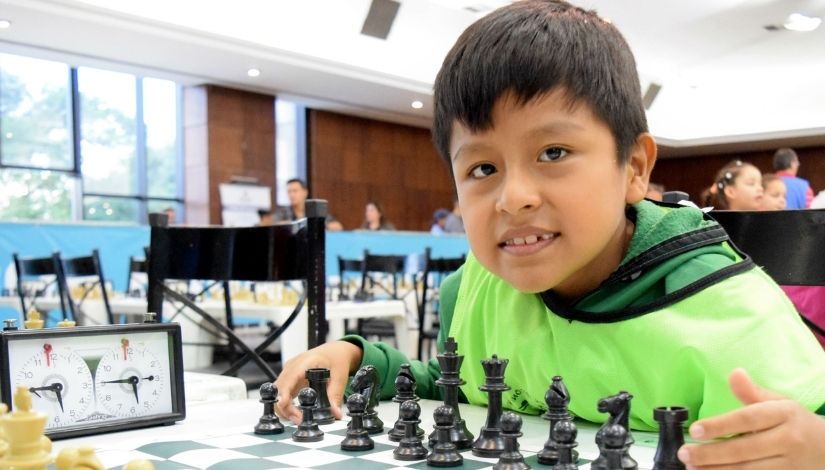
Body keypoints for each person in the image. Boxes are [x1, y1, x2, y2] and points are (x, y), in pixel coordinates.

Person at [273, 2, 825, 469]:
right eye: (482, 169)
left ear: (634, 167)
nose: (514, 197)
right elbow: (458, 389)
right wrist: (358, 356)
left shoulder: (728, 309)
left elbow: (803, 424)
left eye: (553, 153)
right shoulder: (477, 288)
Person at [274, 178, 343, 230]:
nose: (291, 195)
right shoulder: (283, 211)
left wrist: (321, 225)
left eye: (295, 191)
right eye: (289, 192)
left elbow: (337, 226)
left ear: (305, 192)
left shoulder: (315, 210)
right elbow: (276, 226)